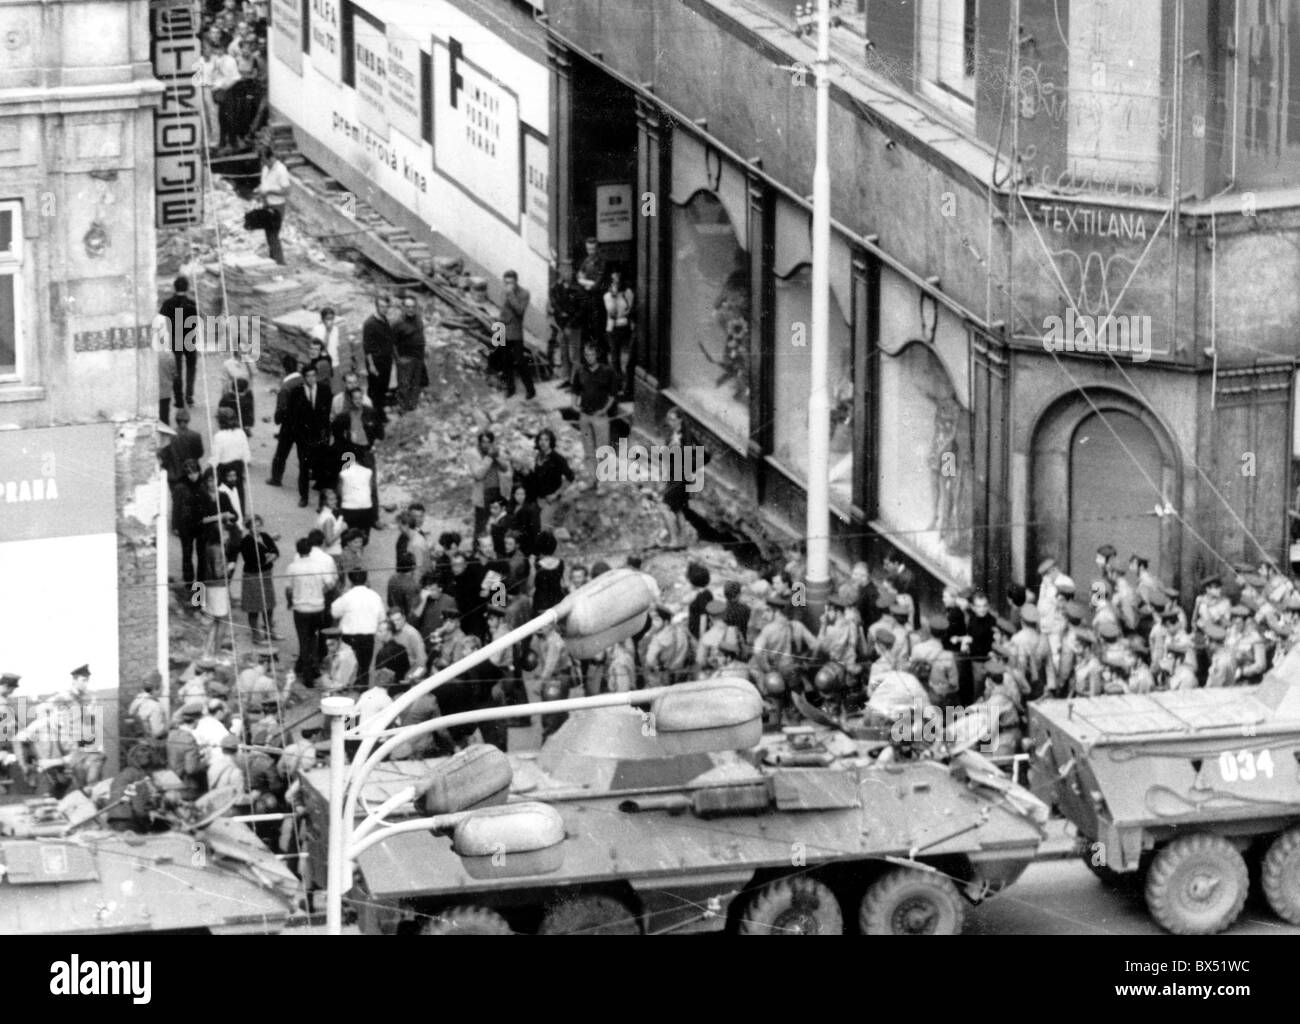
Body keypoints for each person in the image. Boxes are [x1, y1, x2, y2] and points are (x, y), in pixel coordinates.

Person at [285, 536, 336, 685]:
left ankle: (306, 673)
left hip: (300, 608)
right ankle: (312, 668)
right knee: (313, 637)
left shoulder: (292, 567)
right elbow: (330, 584)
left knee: (303, 639)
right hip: (317, 607)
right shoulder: (318, 566)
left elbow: (288, 589)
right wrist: (320, 592)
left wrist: (290, 602)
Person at [571, 341, 619, 489]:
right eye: (586, 355)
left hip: (600, 417)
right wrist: (574, 404)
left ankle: (603, 480)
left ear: (597, 355)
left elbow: (612, 394)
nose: (589, 358)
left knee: (602, 449)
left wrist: (604, 409)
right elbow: (575, 389)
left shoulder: (608, 372)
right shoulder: (580, 371)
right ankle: (593, 479)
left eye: (591, 354)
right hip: (585, 416)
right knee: (588, 449)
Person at [331, 569, 386, 690]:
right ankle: (361, 690)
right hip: (367, 637)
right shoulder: (374, 596)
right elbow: (382, 617)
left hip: (348, 637)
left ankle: (344, 689)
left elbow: (334, 612)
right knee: (364, 668)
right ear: (366, 579)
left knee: (346, 665)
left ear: (350, 581)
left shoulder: (347, 596)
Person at [160, 276, 199, 410]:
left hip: (175, 339)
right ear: (187, 288)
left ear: (174, 287)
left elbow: (163, 322)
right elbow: (195, 322)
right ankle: (189, 397)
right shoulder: (192, 304)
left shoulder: (167, 303)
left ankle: (179, 399)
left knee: (177, 370)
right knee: (191, 368)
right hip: (189, 338)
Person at [239, 515, 279, 644]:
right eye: (254, 525)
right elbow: (254, 561)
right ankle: (255, 634)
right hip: (253, 576)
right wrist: (268, 557)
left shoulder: (265, 536)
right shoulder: (246, 541)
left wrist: (268, 557)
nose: (257, 528)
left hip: (266, 574)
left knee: (269, 604)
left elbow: (276, 552)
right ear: (249, 527)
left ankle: (269, 630)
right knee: (255, 606)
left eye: (259, 525)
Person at [267, 353, 304, 488]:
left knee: (281, 453)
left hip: (289, 424)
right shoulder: (303, 380)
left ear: (284, 369)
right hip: (304, 423)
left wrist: (278, 420)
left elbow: (281, 409)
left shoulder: (286, 387)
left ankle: (276, 478)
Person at [469, 430, 512, 542]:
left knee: (499, 523)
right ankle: (477, 552)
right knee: (481, 526)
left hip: (497, 492)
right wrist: (489, 458)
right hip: (483, 495)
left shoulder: (496, 452)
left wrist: (496, 456)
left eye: (488, 442)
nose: (486, 445)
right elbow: (478, 475)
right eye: (483, 442)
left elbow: (505, 467)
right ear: (479, 443)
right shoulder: (474, 454)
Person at [499, 270, 535, 400]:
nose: (507, 285)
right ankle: (510, 388)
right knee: (505, 361)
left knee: (520, 361)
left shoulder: (524, 293)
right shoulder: (504, 290)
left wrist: (511, 295)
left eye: (510, 282)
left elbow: (520, 311)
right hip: (502, 328)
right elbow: (502, 309)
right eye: (506, 282)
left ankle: (530, 389)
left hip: (515, 330)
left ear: (516, 282)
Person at [529, 429, 574, 532]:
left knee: (543, 526)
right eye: (540, 439)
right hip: (538, 499)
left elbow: (570, 477)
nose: (543, 442)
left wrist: (556, 494)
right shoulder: (538, 456)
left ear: (551, 442)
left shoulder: (558, 458)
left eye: (546, 439)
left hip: (551, 500)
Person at [252, 144, 289, 264]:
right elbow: (264, 184)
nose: (263, 163)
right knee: (269, 236)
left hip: (277, 207)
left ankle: (280, 263)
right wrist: (259, 190)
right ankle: (273, 261)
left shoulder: (280, 170)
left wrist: (269, 191)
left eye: (264, 160)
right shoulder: (266, 168)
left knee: (273, 236)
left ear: (269, 158)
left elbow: (286, 191)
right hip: (267, 205)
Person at [211, 406, 252, 515]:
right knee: (239, 489)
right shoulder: (241, 433)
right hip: (238, 466)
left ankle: (226, 513)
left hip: (224, 467)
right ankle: (240, 512)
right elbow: (246, 454)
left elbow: (216, 457)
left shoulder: (219, 436)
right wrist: (244, 462)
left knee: (223, 491)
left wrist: (211, 465)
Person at [363, 293, 395, 427]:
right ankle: (375, 419)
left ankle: (380, 413)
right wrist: (371, 365)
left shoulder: (385, 320)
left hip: (385, 362)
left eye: (386, 306)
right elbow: (367, 347)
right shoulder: (370, 323)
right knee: (375, 391)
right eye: (381, 306)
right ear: (376, 306)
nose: (384, 309)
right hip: (375, 363)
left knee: (382, 389)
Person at [549, 264, 584, 383]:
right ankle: (567, 379)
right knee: (564, 354)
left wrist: (570, 324)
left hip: (573, 326)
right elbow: (554, 302)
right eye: (563, 270)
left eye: (568, 270)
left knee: (574, 356)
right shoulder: (557, 288)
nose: (566, 273)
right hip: (561, 326)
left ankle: (575, 383)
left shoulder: (577, 288)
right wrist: (560, 317)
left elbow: (581, 310)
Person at [603, 267, 634, 397]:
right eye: (613, 279)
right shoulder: (607, 295)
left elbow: (629, 310)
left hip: (625, 327)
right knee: (614, 358)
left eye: (618, 278)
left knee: (625, 357)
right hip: (612, 328)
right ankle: (618, 384)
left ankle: (626, 385)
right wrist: (614, 297)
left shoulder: (628, 293)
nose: (616, 281)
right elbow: (612, 312)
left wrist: (624, 312)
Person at [393, 292, 426, 412]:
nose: (411, 309)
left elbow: (421, 334)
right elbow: (392, 343)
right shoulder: (398, 323)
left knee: (416, 382)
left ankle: (413, 405)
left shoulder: (418, 319)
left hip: (418, 357)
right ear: (403, 308)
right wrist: (398, 360)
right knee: (404, 385)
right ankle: (403, 407)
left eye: (413, 306)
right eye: (408, 306)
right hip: (405, 359)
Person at [337, 450, 376, 542]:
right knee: (364, 532)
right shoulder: (368, 471)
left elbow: (340, 491)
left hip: (349, 508)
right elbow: (371, 489)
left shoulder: (343, 473)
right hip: (366, 506)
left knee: (348, 534)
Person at [576, 237, 607, 347]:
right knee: (586, 328)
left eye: (593, 249)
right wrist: (588, 282)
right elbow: (579, 277)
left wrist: (586, 282)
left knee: (598, 329)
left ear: (597, 249)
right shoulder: (586, 261)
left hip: (597, 300)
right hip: (587, 300)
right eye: (588, 249)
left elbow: (597, 284)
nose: (590, 252)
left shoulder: (601, 263)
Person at [321, 627, 358, 692]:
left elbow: (341, 683)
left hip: (342, 690)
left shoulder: (346, 656)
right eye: (327, 645)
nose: (329, 648)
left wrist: (327, 685)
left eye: (331, 645)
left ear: (339, 641)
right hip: (333, 682)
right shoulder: (335, 648)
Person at [387, 550, 421, 619]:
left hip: (394, 615)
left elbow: (389, 600)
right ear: (413, 566)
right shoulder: (412, 585)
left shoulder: (392, 579)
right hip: (406, 619)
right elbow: (413, 610)